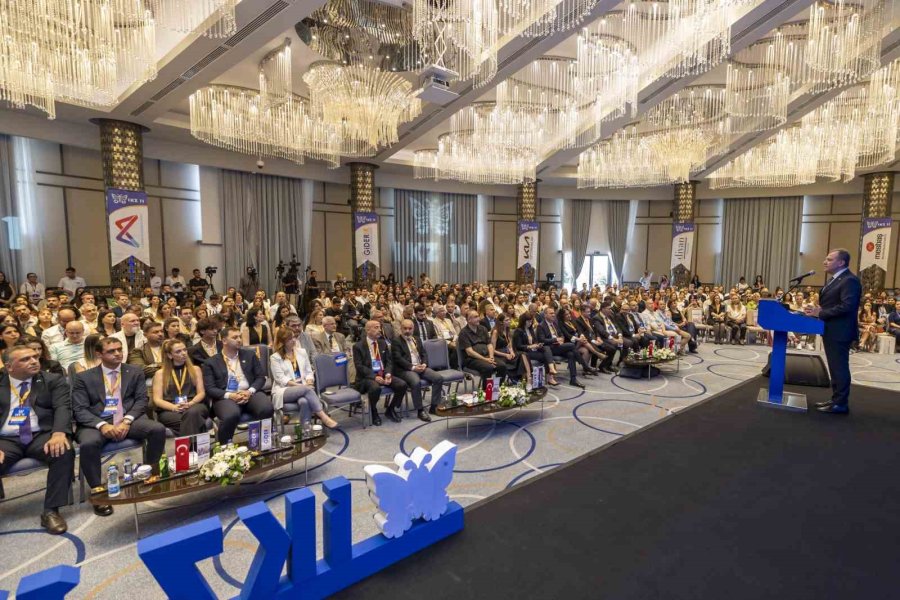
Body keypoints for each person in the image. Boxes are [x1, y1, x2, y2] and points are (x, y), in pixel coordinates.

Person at [73, 337, 166, 516]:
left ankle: (149, 474)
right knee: (88, 443)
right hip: (96, 422)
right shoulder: (84, 377)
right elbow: (79, 409)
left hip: (128, 418)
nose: (117, 353)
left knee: (157, 429)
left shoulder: (134, 371)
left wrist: (127, 420)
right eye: (111, 351)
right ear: (99, 354)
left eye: (119, 349)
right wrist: (102, 425)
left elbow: (141, 400)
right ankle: (98, 491)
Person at [0, 345, 76, 534]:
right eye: (25, 359)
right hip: (6, 438)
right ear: (9, 367)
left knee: (63, 451)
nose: (34, 361)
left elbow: (62, 407)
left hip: (41, 434)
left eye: (35, 357)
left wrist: (59, 433)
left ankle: (51, 511)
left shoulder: (52, 380)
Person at [804, 249, 862, 414]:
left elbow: (848, 306)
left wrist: (821, 313)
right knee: (835, 367)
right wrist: (817, 309)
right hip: (831, 329)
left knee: (839, 367)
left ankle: (841, 404)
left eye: (829, 259)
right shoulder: (835, 279)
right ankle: (836, 399)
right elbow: (833, 303)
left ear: (841, 262)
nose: (825, 262)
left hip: (840, 331)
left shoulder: (850, 280)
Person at [202, 326, 274, 443]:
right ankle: (225, 447)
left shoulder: (249, 355)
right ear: (224, 341)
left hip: (250, 392)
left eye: (240, 337)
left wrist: (249, 391)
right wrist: (231, 395)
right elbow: (210, 388)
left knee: (266, 408)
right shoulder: (211, 362)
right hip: (226, 396)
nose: (239, 340)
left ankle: (264, 442)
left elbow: (260, 377)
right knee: (231, 415)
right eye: (235, 337)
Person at [270, 328, 337, 428]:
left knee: (304, 401)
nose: (293, 340)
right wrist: (302, 386)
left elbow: (308, 371)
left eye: (294, 337)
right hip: (284, 390)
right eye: (289, 339)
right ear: (282, 342)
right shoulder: (275, 357)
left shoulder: (302, 352)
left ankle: (306, 428)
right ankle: (324, 417)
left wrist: (309, 381)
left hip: (303, 387)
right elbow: (281, 379)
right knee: (306, 390)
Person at [353, 319, 408, 426]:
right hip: (367, 377)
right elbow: (359, 366)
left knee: (402, 385)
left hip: (383, 373)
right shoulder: (358, 346)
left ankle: (390, 409)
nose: (379, 330)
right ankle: (374, 412)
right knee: (375, 388)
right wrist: (374, 377)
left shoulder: (382, 343)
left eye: (380, 327)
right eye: (376, 327)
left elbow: (389, 361)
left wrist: (387, 374)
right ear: (368, 330)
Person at [151, 339, 209, 437]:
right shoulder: (160, 373)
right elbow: (157, 400)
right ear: (170, 355)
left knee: (192, 414)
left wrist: (190, 403)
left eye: (185, 350)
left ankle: (187, 446)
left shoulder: (196, 369)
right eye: (178, 351)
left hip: (194, 405)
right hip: (170, 409)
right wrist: (174, 407)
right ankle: (196, 445)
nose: (183, 353)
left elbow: (201, 393)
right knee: (193, 421)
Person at [392, 319, 443, 421]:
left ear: (413, 329)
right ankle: (420, 410)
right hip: (406, 369)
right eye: (405, 328)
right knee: (416, 382)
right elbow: (398, 359)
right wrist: (413, 367)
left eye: (410, 328)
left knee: (438, 378)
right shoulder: (396, 341)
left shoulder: (417, 339)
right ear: (401, 329)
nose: (407, 331)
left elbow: (424, 354)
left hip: (420, 366)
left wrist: (424, 364)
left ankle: (434, 406)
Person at [458, 309, 508, 390]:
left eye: (478, 316)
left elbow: (489, 345)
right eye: (475, 317)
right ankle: (486, 391)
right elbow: (469, 352)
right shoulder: (463, 333)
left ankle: (497, 389)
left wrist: (491, 357)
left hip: (487, 356)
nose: (478, 319)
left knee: (502, 366)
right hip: (472, 359)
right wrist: (485, 359)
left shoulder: (483, 329)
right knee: (488, 368)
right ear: (469, 320)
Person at [536, 307, 584, 388]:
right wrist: (555, 340)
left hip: (558, 346)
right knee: (571, 345)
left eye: (554, 313)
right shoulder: (541, 326)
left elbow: (561, 334)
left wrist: (561, 339)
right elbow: (542, 340)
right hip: (549, 349)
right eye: (551, 313)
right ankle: (584, 365)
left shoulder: (555, 323)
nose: (553, 315)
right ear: (545, 315)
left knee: (571, 354)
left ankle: (573, 379)